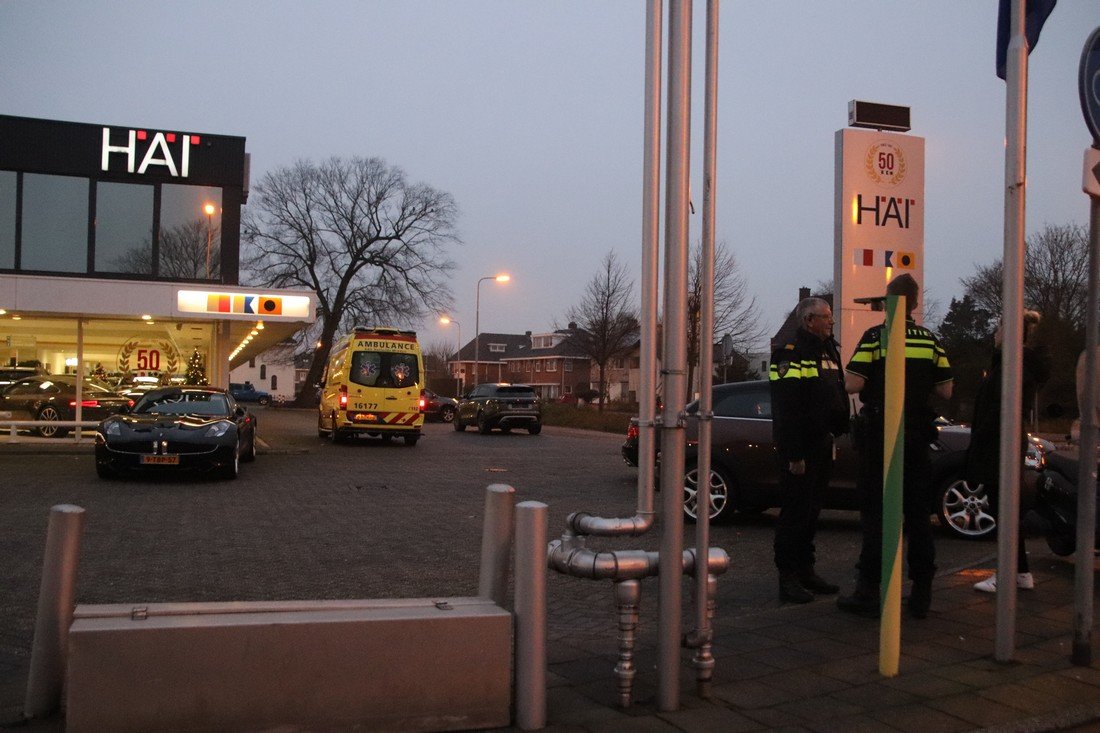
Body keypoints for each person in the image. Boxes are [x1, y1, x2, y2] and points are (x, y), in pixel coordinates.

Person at [837, 273, 953, 619]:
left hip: (882, 435)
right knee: (918, 514)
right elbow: (946, 390)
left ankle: (869, 589)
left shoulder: (877, 337)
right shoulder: (931, 341)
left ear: (890, 302)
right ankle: (921, 593)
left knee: (877, 513)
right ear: (915, 304)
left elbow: (852, 384)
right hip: (918, 435)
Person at [769, 297, 851, 603]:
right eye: (825, 317)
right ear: (808, 321)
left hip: (821, 442)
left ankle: (806, 571)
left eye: (831, 317)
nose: (831, 322)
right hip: (800, 448)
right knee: (795, 513)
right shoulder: (790, 354)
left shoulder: (828, 349)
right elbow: (787, 409)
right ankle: (787, 578)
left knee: (812, 511)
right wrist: (794, 455)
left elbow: (835, 390)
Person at [970, 311, 1047, 593]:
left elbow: (997, 409)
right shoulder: (1013, 364)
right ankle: (1021, 572)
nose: (994, 334)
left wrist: (980, 437)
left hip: (999, 445)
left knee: (1004, 511)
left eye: (999, 329)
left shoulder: (1012, 367)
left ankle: (1005, 574)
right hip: (1005, 443)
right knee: (1007, 510)